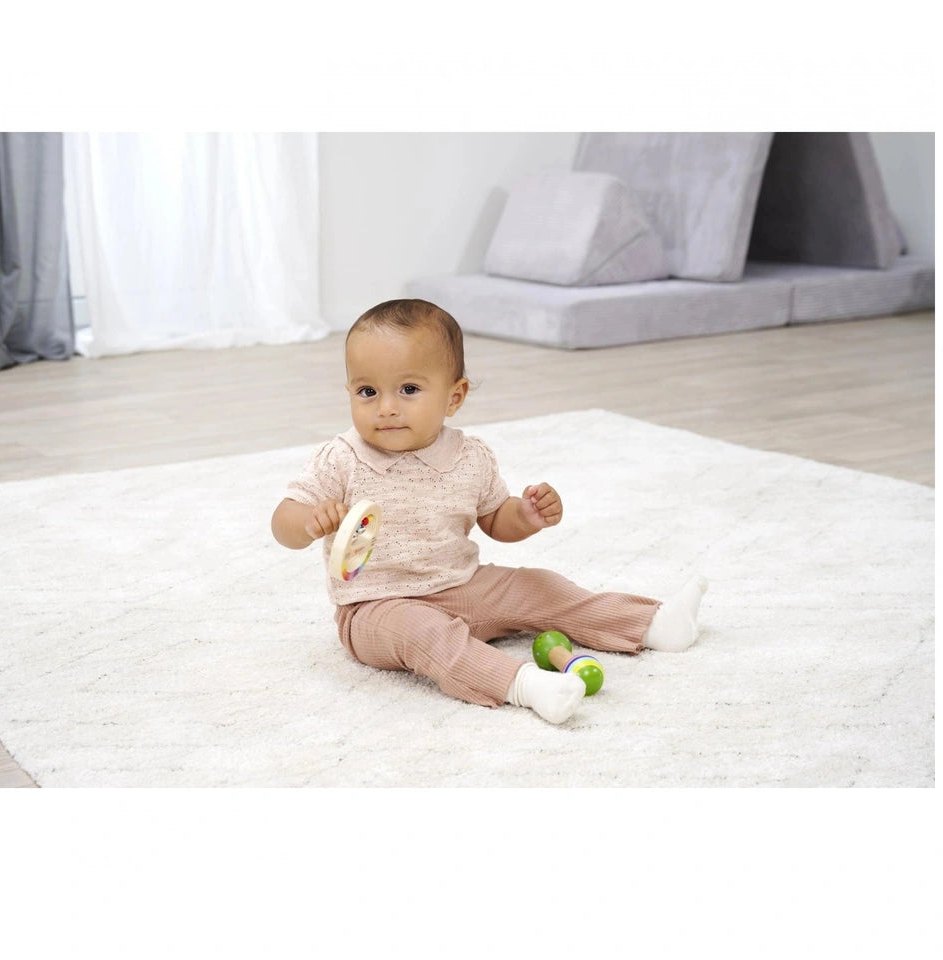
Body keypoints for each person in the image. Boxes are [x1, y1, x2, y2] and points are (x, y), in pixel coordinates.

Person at [272, 299, 707, 724]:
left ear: (454, 396)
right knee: (426, 634)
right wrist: (307, 521)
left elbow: (497, 518)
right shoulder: (342, 459)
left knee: (540, 587)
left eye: (409, 390)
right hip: (375, 608)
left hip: (464, 585)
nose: (386, 407)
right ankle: (522, 684)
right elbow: (282, 522)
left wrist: (528, 516)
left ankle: (649, 624)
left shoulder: (470, 456)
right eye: (367, 392)